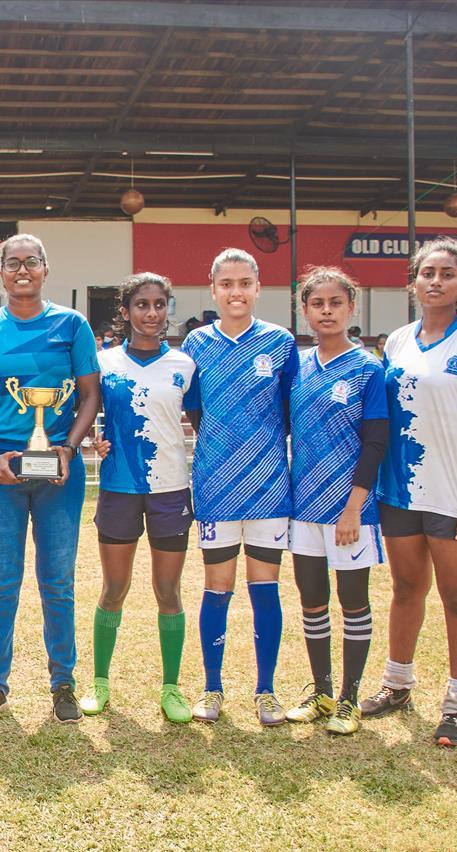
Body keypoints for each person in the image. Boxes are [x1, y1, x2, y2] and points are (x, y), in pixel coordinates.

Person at [0, 234, 102, 724]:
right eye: (12, 263)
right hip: (1, 476)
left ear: (45, 268)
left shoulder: (72, 325)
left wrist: (68, 448)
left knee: (57, 582)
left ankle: (63, 684)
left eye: (31, 261)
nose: (22, 270)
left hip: (59, 473)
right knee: (2, 583)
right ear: (0, 272)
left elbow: (89, 397)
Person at [363, 238, 457, 748]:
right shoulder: (396, 341)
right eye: (427, 272)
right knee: (405, 589)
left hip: (452, 494)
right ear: (413, 281)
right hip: (399, 493)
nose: (436, 281)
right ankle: (397, 684)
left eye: (448, 273)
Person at [181, 248, 297, 727]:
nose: (235, 292)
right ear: (213, 289)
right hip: (215, 485)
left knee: (264, 588)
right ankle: (212, 688)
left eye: (244, 283)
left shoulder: (281, 342)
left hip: (270, 485)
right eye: (226, 283)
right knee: (217, 588)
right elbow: (194, 410)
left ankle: (266, 690)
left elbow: (291, 411)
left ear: (257, 287)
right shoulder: (196, 344)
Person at [84, 272, 197, 722]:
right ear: (126, 312)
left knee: (167, 590)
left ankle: (171, 688)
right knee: (114, 589)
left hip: (171, 490)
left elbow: (204, 424)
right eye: (142, 305)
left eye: (159, 305)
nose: (152, 314)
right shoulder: (104, 363)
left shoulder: (185, 366)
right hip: (118, 489)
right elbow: (85, 414)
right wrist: (92, 439)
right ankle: (99, 682)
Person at [284, 267, 388, 736]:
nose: (326, 311)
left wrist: (353, 507)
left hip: (350, 511)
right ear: (304, 310)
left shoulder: (368, 368)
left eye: (335, 303)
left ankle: (349, 698)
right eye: (317, 304)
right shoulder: (298, 365)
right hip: (303, 505)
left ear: (351, 308)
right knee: (312, 600)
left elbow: (375, 443)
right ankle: (322, 692)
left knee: (352, 600)